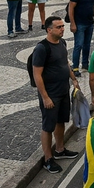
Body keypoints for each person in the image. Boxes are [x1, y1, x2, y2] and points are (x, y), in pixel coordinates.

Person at [31, 17, 80, 174]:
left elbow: (65, 62)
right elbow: (37, 75)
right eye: (58, 27)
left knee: (61, 122)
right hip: (51, 94)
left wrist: (73, 79)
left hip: (63, 90)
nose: (62, 29)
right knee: (48, 126)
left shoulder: (62, 43)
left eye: (62, 26)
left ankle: (60, 149)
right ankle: (48, 159)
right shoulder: (42, 48)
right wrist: (45, 97)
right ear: (49, 29)